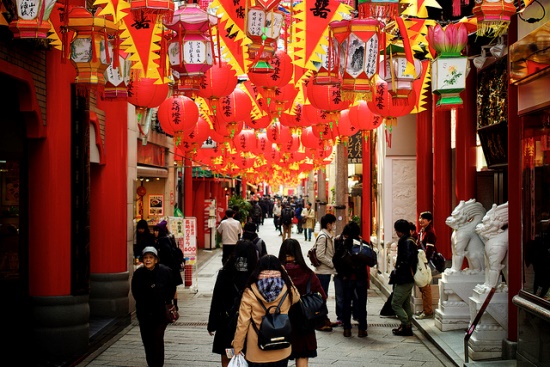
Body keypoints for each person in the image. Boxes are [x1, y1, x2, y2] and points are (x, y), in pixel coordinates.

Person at [232, 255, 300, 367]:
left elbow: (242, 322)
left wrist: (237, 346)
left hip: (257, 350)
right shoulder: (287, 288)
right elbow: (297, 298)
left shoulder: (250, 290)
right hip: (281, 347)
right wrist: (285, 274)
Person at [208, 240, 259, 367]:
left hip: (227, 323)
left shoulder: (225, 272)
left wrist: (212, 323)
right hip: (249, 324)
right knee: (248, 357)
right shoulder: (256, 275)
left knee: (227, 357)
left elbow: (217, 299)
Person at [278, 239, 326, 367]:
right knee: (302, 355)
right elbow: (323, 297)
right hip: (304, 322)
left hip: (280, 322)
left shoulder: (277, 273)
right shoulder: (308, 274)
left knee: (279, 357)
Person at [131, 246, 176, 367]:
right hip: (144, 313)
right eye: (145, 258)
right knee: (147, 340)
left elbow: (172, 289)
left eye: (151, 257)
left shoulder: (165, 272)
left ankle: (158, 364)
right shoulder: (138, 274)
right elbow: (135, 292)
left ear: (156, 260)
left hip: (160, 313)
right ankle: (151, 363)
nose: (148, 260)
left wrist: (167, 301)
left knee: (157, 339)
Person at [333, 221, 369, 337]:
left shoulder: (344, 245)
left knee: (346, 303)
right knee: (362, 304)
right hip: (361, 278)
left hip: (347, 278)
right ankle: (362, 329)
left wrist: (342, 273)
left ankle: (347, 329)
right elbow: (371, 260)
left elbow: (335, 260)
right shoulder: (364, 244)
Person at [390, 219, 418, 336]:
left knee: (395, 303)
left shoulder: (405, 242)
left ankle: (406, 324)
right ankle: (406, 325)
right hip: (407, 277)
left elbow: (406, 261)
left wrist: (398, 270)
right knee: (405, 304)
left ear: (399, 231)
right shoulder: (410, 240)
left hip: (404, 277)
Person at [312, 213, 337, 331]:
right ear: (328, 224)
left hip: (325, 271)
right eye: (333, 223)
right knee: (322, 297)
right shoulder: (323, 237)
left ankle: (324, 319)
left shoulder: (327, 236)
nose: (334, 226)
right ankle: (320, 322)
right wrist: (332, 264)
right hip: (322, 271)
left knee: (323, 296)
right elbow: (320, 255)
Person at [153, 221, 183, 310]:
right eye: (154, 231)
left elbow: (166, 255)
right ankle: (175, 305)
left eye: (157, 231)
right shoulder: (169, 237)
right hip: (173, 267)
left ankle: (169, 306)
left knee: (168, 287)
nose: (155, 232)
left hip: (168, 268)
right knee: (173, 287)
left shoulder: (162, 241)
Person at [416, 211, 436, 319]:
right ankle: (425, 309)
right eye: (420, 218)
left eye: (424, 218)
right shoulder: (422, 231)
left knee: (426, 288)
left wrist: (425, 263)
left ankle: (428, 311)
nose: (421, 220)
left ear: (429, 221)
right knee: (423, 287)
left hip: (426, 262)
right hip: (422, 262)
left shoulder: (430, 232)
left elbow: (429, 249)